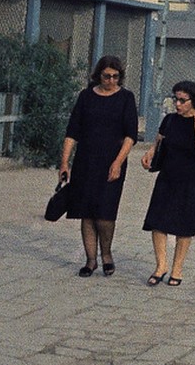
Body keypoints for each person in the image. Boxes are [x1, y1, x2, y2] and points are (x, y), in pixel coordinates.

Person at [58, 55, 138, 278]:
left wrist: (118, 162)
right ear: (98, 75)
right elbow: (72, 131)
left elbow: (131, 135)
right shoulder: (86, 97)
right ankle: (90, 260)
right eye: (107, 76)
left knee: (105, 213)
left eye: (115, 76)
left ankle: (107, 255)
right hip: (86, 161)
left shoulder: (126, 98)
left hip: (112, 162)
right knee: (86, 212)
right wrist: (65, 162)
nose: (111, 80)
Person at [140, 81, 195, 287]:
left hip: (191, 180)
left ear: (193, 101)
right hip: (168, 177)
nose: (177, 104)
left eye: (182, 100)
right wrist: (150, 152)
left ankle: (177, 269)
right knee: (157, 222)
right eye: (175, 99)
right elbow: (160, 140)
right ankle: (161, 266)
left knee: (184, 227)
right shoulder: (169, 120)